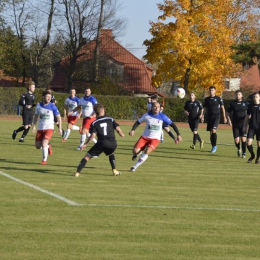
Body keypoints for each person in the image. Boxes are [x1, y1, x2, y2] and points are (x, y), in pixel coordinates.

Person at [73, 104, 124, 177]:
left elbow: (93, 135)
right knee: (111, 153)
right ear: (103, 111)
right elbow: (118, 129)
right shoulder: (110, 119)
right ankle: (114, 170)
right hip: (113, 143)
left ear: (95, 112)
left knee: (87, 157)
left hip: (102, 143)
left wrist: (85, 144)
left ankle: (77, 173)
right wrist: (121, 134)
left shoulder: (94, 123)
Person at [129, 102, 182, 172]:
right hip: (144, 137)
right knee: (135, 151)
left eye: (158, 107)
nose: (156, 108)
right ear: (152, 107)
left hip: (155, 139)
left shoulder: (162, 116)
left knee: (147, 151)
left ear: (160, 108)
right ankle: (138, 153)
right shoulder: (147, 115)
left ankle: (134, 166)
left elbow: (173, 125)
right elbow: (138, 122)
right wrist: (133, 130)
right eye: (155, 106)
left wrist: (178, 135)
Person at [32, 90, 62, 165]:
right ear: (43, 97)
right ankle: (49, 146)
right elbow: (35, 116)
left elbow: (58, 117)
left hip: (49, 128)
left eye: (50, 97)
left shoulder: (52, 106)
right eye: (47, 96)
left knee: (44, 143)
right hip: (40, 128)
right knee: (38, 146)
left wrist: (60, 128)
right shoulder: (39, 106)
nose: (49, 98)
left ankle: (44, 160)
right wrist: (34, 126)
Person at [203, 86, 227, 153]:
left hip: (216, 117)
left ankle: (215, 146)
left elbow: (222, 108)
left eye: (212, 90)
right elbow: (205, 108)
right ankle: (213, 146)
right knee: (211, 133)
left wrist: (224, 117)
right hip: (209, 117)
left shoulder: (218, 98)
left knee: (213, 130)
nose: (211, 91)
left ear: (215, 91)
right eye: (210, 90)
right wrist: (202, 115)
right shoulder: (207, 99)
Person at [226, 90, 249, 158]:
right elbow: (227, 112)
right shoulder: (232, 103)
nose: (237, 95)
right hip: (235, 124)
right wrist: (229, 120)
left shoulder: (246, 103)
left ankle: (244, 153)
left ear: (242, 95)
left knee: (243, 139)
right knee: (236, 140)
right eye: (236, 94)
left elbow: (250, 111)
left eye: (239, 94)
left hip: (244, 124)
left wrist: (249, 115)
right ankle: (239, 148)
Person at [245, 92, 260, 163]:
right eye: (254, 97)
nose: (255, 98)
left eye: (256, 97)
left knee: (259, 144)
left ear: (259, 98)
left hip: (259, 128)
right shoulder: (250, 106)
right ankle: (252, 155)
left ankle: (257, 159)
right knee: (248, 143)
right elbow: (248, 115)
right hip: (252, 127)